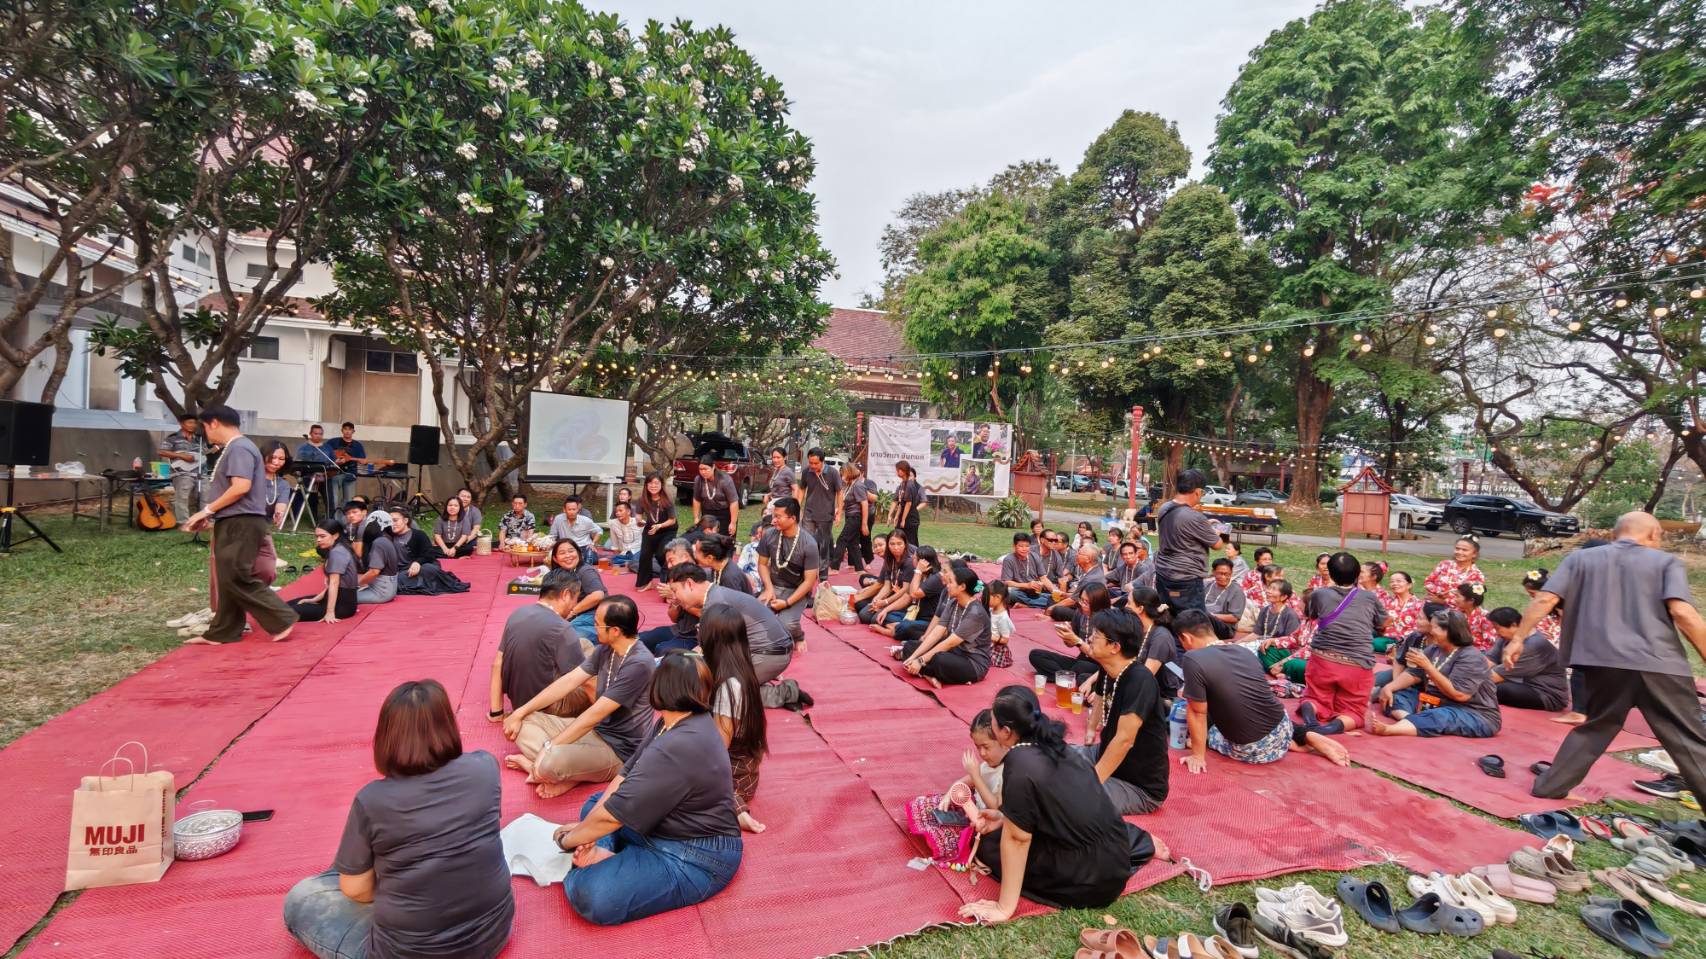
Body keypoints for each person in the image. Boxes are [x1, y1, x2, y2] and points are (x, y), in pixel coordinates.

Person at [283, 680, 513, 959]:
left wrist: (401, 892)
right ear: (448, 726)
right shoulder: (485, 767)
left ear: (386, 737)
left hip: (410, 952)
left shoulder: (373, 800)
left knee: (301, 897)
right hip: (493, 934)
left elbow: (356, 890)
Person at [1520, 512, 1706, 803]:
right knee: (1687, 738)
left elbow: (1546, 598)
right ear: (1654, 534)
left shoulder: (1579, 559)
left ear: (1614, 534)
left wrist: (1518, 638)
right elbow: (1683, 613)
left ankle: (1551, 785)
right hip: (1659, 663)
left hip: (1602, 663)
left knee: (1598, 726)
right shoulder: (1665, 562)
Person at [551, 653, 742, 925]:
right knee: (596, 803)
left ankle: (605, 857)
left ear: (660, 688)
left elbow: (612, 817)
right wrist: (587, 831)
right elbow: (625, 774)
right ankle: (604, 853)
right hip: (660, 826)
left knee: (592, 894)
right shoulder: (670, 722)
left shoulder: (680, 743)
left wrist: (568, 841)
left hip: (695, 855)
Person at [957, 686, 1158, 923]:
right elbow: (1061, 808)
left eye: (993, 723)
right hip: (1116, 854)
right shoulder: (1054, 744)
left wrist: (1003, 908)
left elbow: (1018, 840)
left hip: (1090, 880)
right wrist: (1003, 818)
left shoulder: (1019, 762)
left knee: (990, 845)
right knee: (1001, 833)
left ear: (1006, 732)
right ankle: (1142, 841)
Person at [503, 596, 657, 797]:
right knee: (521, 723)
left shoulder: (639, 663)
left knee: (550, 762)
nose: (594, 628)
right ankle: (563, 772)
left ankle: (545, 768)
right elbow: (568, 681)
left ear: (615, 631)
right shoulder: (606, 650)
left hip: (620, 751)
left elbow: (596, 713)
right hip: (595, 732)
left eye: (597, 625)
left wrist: (550, 747)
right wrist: (520, 712)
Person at [179, 405, 297, 644]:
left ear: (214, 423)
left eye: (205, 427)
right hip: (236, 519)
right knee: (228, 576)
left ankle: (282, 618)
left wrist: (207, 510)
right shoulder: (237, 447)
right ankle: (223, 631)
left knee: (236, 576)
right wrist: (212, 514)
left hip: (241, 521)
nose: (205, 433)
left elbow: (241, 487)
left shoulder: (239, 447)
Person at [1174, 610, 1349, 769]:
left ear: (1186, 638)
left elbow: (1197, 713)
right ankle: (1304, 736)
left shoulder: (1193, 658)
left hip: (1254, 749)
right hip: (1283, 727)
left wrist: (1197, 755)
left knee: (1192, 719)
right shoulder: (1242, 651)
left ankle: (1290, 743)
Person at [1081, 609, 1170, 815]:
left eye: (1096, 635)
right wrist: (1090, 731)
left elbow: (1124, 740)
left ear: (1115, 647)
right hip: (1103, 754)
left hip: (1138, 786)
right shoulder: (1108, 668)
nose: (1090, 638)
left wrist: (1091, 785)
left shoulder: (1140, 680)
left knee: (1068, 798)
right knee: (1052, 759)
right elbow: (1100, 698)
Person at [665, 564, 796, 698]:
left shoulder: (715, 603)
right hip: (766, 650)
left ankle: (784, 693)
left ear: (689, 584)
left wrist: (684, 660)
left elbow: (707, 651)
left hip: (769, 655)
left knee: (716, 694)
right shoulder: (715, 595)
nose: (674, 597)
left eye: (675, 590)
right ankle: (753, 682)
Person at [1293, 552, 1386, 739]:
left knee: (1314, 697)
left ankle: (1311, 721)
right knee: (1354, 709)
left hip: (1322, 659)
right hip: (1357, 663)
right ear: (1357, 574)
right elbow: (1383, 623)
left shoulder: (1319, 594)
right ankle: (1326, 730)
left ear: (1331, 574)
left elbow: (1312, 615)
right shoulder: (1370, 598)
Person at [1371, 608, 1502, 739]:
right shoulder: (1435, 649)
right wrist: (1390, 687)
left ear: (1449, 631)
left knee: (1440, 716)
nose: (1431, 631)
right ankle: (1412, 720)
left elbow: (1460, 695)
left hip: (1473, 713)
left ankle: (1393, 729)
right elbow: (1414, 673)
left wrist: (1428, 667)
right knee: (1396, 696)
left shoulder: (1471, 657)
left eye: (1434, 627)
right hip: (1437, 703)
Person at [698, 606, 771, 834]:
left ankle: (734, 809)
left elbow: (717, 752)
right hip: (738, 769)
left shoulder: (730, 686)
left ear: (712, 638)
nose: (697, 630)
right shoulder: (736, 669)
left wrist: (735, 805)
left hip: (734, 778)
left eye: (701, 628)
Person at [488, 568, 593, 723]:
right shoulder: (562, 628)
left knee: (584, 644)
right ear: (566, 595)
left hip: (519, 703)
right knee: (596, 667)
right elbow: (586, 681)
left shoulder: (517, 613)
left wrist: (496, 712)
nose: (575, 605)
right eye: (576, 598)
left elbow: (497, 663)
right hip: (552, 707)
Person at [907, 711, 1008, 868]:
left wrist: (975, 776)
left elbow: (996, 807)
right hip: (971, 809)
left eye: (986, 747)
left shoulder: (1008, 770)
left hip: (985, 821)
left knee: (958, 836)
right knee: (926, 805)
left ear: (1003, 742)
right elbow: (962, 782)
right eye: (978, 747)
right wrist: (949, 795)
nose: (982, 753)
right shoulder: (987, 765)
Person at [899, 563, 993, 688]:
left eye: (950, 582)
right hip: (953, 652)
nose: (946, 585)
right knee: (910, 646)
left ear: (962, 587)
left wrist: (920, 660)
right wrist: (914, 656)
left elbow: (949, 643)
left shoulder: (976, 613)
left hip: (972, 663)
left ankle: (924, 671)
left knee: (939, 659)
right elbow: (937, 632)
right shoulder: (953, 602)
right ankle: (928, 675)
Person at [1153, 469, 1227, 615]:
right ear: (1198, 492)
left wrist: (1205, 525)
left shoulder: (1164, 508)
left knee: (1168, 616)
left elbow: (1181, 529)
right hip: (1186, 579)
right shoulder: (1194, 517)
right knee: (1193, 621)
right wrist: (1217, 532)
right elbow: (1218, 544)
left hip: (1163, 573)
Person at [757, 496, 819, 647]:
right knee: (756, 618)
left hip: (796, 591)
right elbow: (762, 564)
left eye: (778, 517)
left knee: (786, 624)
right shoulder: (769, 535)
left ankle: (798, 636)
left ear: (792, 518)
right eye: (773, 515)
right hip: (773, 587)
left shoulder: (809, 544)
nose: (773, 520)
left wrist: (786, 603)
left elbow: (809, 581)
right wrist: (769, 589)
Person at [1029, 583, 1115, 688]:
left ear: (1098, 603)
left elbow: (1103, 657)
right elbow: (1070, 644)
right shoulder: (1079, 614)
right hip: (1082, 659)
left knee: (1080, 667)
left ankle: (1063, 676)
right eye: (1081, 600)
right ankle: (1065, 677)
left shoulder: (1109, 619)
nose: (1082, 604)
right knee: (1036, 655)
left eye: (1087, 602)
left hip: (1101, 665)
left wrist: (1078, 641)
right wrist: (1067, 636)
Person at [1485, 606, 1569, 712]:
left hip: (1545, 693)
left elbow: (1495, 677)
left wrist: (1469, 679)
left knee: (1496, 689)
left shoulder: (1534, 645)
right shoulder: (1505, 637)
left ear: (1514, 625)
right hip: (1519, 683)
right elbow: (1488, 661)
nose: (1496, 632)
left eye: (1497, 628)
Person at [287, 518, 359, 624]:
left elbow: (334, 583)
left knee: (282, 613)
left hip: (341, 606)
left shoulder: (338, 552)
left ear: (335, 535)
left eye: (322, 536)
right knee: (283, 606)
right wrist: (314, 599)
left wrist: (330, 612)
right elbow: (332, 585)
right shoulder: (338, 548)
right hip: (335, 600)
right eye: (317, 536)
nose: (318, 540)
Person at [1125, 586, 1182, 700]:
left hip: (1163, 695)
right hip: (1141, 684)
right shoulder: (1137, 629)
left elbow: (1145, 677)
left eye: (1129, 603)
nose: (1125, 606)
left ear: (1140, 609)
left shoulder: (1161, 637)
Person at [793, 448, 842, 578]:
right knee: (805, 542)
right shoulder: (806, 472)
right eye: (810, 463)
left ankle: (823, 574)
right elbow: (802, 490)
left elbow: (839, 492)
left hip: (826, 515)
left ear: (822, 461)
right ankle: (805, 571)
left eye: (816, 463)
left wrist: (839, 512)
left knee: (823, 545)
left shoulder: (833, 473)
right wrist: (797, 507)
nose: (813, 466)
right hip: (809, 513)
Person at [547, 539, 607, 641]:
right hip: (579, 615)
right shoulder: (561, 573)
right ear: (555, 559)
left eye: (571, 551)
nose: (568, 555)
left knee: (565, 636)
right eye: (562, 553)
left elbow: (598, 595)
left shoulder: (586, 571)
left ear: (578, 553)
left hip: (594, 613)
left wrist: (572, 612)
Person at [1250, 580, 1306, 683]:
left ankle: (1280, 671)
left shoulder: (1290, 614)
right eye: (1269, 588)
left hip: (1291, 654)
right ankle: (1278, 672)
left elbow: (1297, 647)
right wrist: (1273, 641)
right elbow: (1292, 639)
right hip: (1278, 650)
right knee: (1263, 649)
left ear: (1283, 597)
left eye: (1274, 589)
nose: (1268, 591)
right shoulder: (1265, 610)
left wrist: (1282, 662)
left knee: (1294, 664)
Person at [633, 473, 677, 589]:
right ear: (646, 485)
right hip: (650, 528)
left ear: (662, 485)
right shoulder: (642, 499)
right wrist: (639, 521)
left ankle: (671, 578)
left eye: (656, 483)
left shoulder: (667, 499)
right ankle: (646, 582)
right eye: (650, 483)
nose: (653, 486)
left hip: (667, 529)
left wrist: (660, 526)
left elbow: (672, 520)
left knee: (661, 554)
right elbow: (638, 516)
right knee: (644, 555)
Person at [159, 411, 206, 515]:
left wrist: (214, 449)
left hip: (200, 473)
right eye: (190, 422)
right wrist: (182, 456)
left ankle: (205, 520)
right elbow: (161, 452)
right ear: (181, 424)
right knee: (182, 499)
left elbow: (204, 454)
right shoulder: (173, 438)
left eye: (194, 423)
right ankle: (183, 522)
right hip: (181, 473)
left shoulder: (200, 440)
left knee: (206, 497)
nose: (193, 425)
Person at [355, 512, 403, 606]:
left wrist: (357, 583)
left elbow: (374, 571)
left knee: (342, 597)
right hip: (387, 589)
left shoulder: (379, 542)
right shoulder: (386, 539)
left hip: (380, 592)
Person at [830, 463, 870, 573]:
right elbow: (847, 502)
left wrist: (864, 524)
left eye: (843, 474)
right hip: (850, 516)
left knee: (842, 539)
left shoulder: (858, 485)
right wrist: (838, 510)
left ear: (849, 473)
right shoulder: (849, 485)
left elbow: (864, 504)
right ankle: (860, 569)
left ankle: (834, 568)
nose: (842, 476)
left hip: (855, 517)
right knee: (853, 543)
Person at [1424, 535, 1485, 604]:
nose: (1459, 552)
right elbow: (1428, 581)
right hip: (1432, 602)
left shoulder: (1477, 575)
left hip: (1456, 609)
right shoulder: (1444, 564)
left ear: (1474, 554)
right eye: (1457, 549)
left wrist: (1444, 601)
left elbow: (1471, 600)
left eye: (1464, 550)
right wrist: (1439, 592)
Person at [296, 424, 340, 516]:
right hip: (309, 477)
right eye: (316, 433)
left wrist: (337, 462)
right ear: (310, 434)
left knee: (329, 500)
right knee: (312, 500)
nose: (318, 436)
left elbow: (333, 461)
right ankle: (314, 520)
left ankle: (330, 520)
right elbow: (299, 463)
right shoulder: (303, 448)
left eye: (320, 434)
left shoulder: (327, 447)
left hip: (325, 477)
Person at [999, 532, 1053, 608]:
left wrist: (1054, 591)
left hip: (1034, 591)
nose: (1024, 549)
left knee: (1052, 595)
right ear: (1014, 546)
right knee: (1010, 593)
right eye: (1021, 546)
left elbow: (1043, 578)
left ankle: (1027, 605)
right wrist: (1027, 585)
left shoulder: (1034, 556)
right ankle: (1045, 603)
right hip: (1018, 590)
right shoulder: (1009, 559)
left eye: (1027, 546)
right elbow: (1007, 582)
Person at [692, 456, 741, 537]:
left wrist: (733, 523)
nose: (703, 472)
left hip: (725, 513)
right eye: (700, 469)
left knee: (724, 539)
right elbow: (696, 499)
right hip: (707, 513)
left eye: (706, 469)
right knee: (707, 539)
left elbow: (734, 502)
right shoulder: (698, 480)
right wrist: (696, 518)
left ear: (713, 467)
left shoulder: (725, 480)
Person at [1381, 570, 1425, 651]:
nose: (1394, 584)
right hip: (1388, 639)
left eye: (1399, 581)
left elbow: (1420, 628)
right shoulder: (1387, 602)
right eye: (1392, 581)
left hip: (1409, 641)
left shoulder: (1419, 604)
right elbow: (1381, 625)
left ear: (1409, 585)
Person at [326, 422, 367, 508]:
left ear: (353, 431)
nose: (347, 431)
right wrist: (335, 461)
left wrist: (355, 460)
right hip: (334, 473)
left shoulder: (357, 445)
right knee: (334, 499)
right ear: (342, 430)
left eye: (350, 429)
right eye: (345, 429)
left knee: (349, 500)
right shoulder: (333, 442)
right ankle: (333, 515)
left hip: (350, 473)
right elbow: (325, 454)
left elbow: (363, 460)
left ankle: (346, 515)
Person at [1202, 557, 1246, 637]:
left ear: (1231, 573)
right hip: (1202, 619)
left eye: (1227, 574)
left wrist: (1211, 616)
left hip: (1224, 627)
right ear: (1213, 572)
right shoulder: (1207, 584)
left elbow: (1234, 617)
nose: (1223, 577)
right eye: (1220, 573)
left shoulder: (1236, 591)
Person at [1450, 581, 1499, 651]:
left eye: (1457, 596)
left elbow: (1490, 643)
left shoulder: (1485, 618)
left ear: (1471, 601)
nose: (1454, 599)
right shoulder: (1455, 612)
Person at [1522, 568, 1562, 644]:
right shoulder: (1537, 603)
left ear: (1544, 590)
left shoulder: (1560, 605)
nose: (1531, 596)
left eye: (1532, 593)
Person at [260, 442, 293, 529]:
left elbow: (281, 505)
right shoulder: (249, 478)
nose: (276, 462)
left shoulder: (283, 484)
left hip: (263, 527)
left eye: (281, 459)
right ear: (262, 456)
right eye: (273, 457)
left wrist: (279, 513)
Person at [892, 460, 924, 546]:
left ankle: (916, 555)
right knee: (900, 540)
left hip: (910, 519)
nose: (897, 472)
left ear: (904, 471)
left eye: (898, 470)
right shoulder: (902, 484)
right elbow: (900, 503)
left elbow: (908, 503)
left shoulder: (910, 485)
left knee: (910, 544)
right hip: (904, 518)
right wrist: (896, 516)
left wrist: (903, 519)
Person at [604, 502, 642, 569]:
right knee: (612, 559)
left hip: (638, 551)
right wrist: (616, 555)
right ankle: (628, 562)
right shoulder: (613, 523)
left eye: (620, 511)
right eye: (616, 511)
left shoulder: (638, 522)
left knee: (636, 559)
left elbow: (648, 539)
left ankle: (630, 562)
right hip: (624, 553)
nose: (617, 513)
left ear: (628, 512)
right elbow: (614, 543)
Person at [763, 447, 795, 516]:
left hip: (783, 505)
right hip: (773, 504)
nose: (775, 460)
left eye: (778, 457)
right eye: (774, 457)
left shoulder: (787, 471)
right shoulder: (776, 470)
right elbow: (779, 488)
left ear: (785, 457)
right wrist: (768, 495)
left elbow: (795, 489)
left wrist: (793, 506)